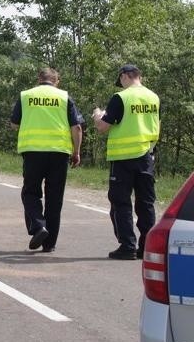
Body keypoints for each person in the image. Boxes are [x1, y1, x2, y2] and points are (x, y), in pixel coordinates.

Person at [10, 68, 83, 252]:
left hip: (33, 151)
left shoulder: (26, 96)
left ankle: (38, 226)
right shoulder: (64, 97)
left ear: (39, 79)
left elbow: (14, 124)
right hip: (59, 152)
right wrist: (76, 152)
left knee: (30, 192)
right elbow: (77, 127)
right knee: (54, 198)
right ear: (56, 81)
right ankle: (49, 244)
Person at [92, 64, 160, 260]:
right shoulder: (153, 97)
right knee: (146, 203)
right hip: (146, 155)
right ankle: (146, 246)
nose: (120, 84)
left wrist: (98, 116)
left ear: (124, 76)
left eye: (120, 80)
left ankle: (127, 245)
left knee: (120, 203)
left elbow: (104, 127)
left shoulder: (121, 97)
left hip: (123, 158)